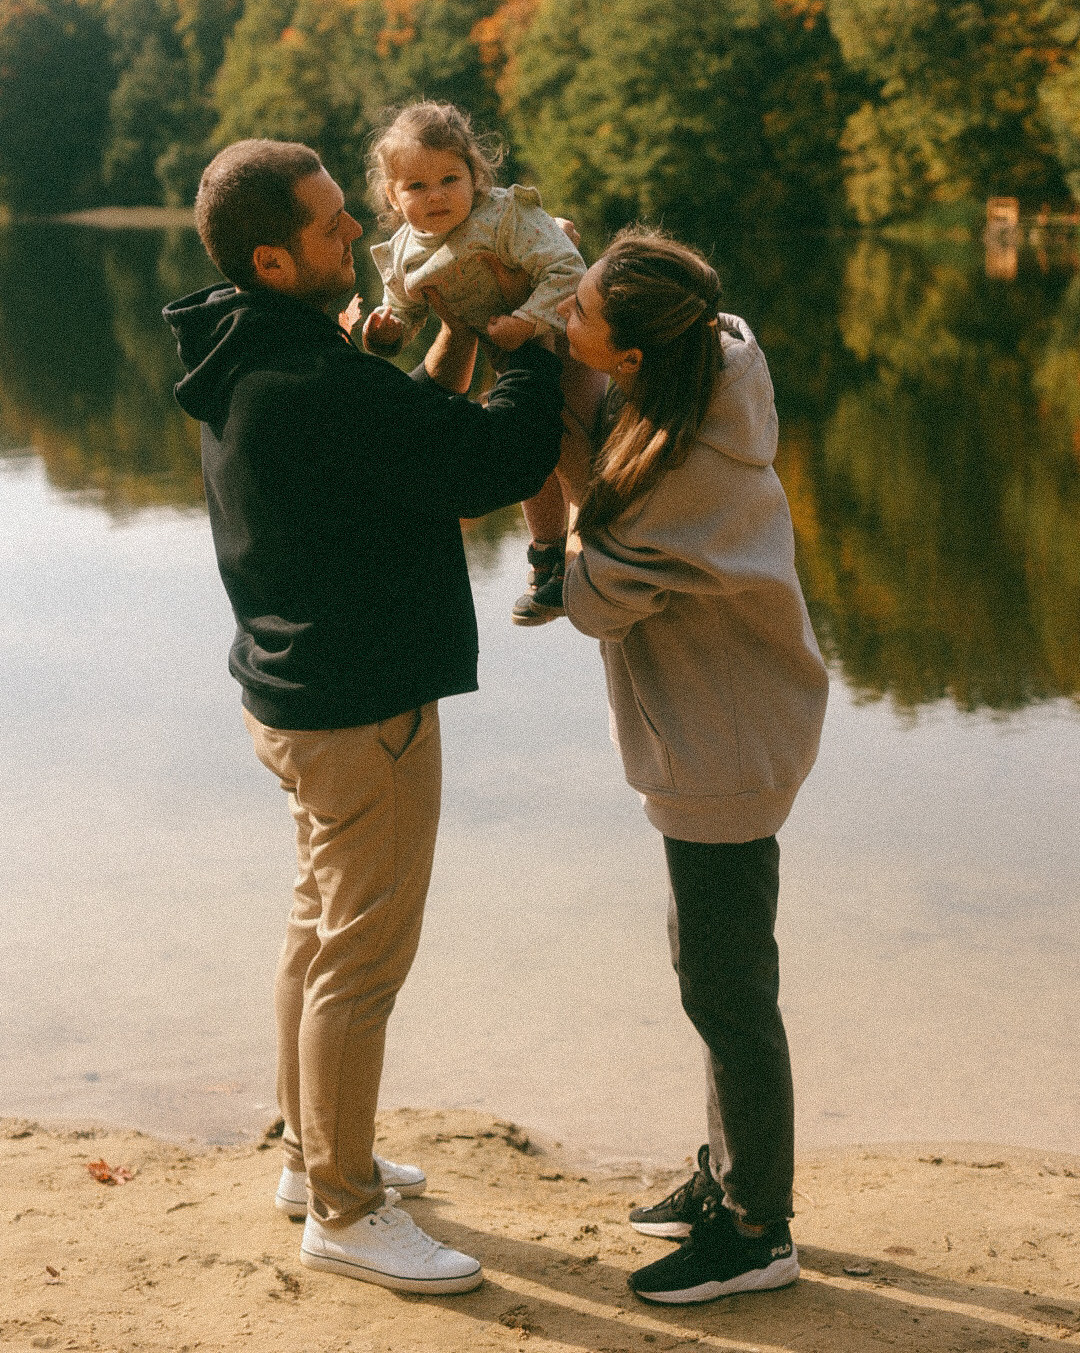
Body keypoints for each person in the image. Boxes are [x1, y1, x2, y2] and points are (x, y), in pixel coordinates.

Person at [163, 138, 563, 1295]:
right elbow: (492, 457)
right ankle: (342, 1208)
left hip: (291, 696)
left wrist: (446, 337)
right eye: (338, 228)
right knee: (362, 961)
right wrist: (517, 335)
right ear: (276, 257)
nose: (364, 237)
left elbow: (400, 437)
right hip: (357, 707)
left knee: (316, 927)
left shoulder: (251, 350)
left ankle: (308, 1154)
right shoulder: (310, 380)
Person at [557, 228, 829, 1305]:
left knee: (728, 988)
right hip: (728, 726)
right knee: (710, 969)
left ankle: (762, 1229)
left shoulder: (682, 478)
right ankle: (729, 1174)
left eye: (578, 317)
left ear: (629, 358)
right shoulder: (701, 366)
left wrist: (554, 449)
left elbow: (588, 599)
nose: (564, 323)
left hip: (726, 744)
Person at [360, 100, 604, 626]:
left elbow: (569, 269)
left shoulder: (504, 218)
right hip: (509, 360)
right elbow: (404, 309)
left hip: (567, 342)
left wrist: (528, 319)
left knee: (570, 440)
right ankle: (547, 558)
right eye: (416, 187)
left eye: (451, 178)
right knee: (531, 452)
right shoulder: (404, 252)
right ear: (392, 196)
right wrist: (387, 330)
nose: (437, 196)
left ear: (477, 175)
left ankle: (604, 543)